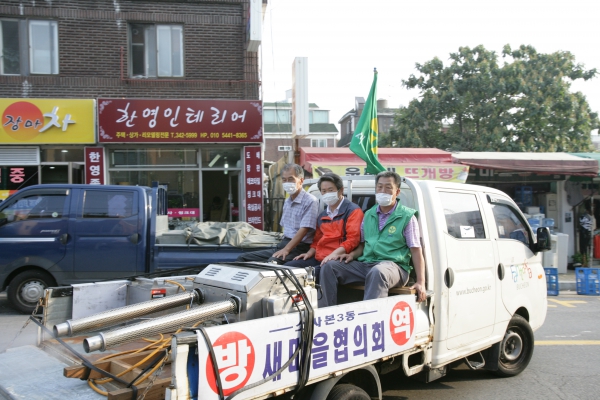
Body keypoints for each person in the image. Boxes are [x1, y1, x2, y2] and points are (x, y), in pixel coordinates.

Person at [319, 171, 426, 307]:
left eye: (388, 187)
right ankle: (327, 314)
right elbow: (362, 246)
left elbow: (416, 250)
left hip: (395, 267)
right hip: (367, 264)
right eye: (379, 187)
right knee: (330, 267)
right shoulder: (369, 214)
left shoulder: (406, 216)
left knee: (378, 271)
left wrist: (421, 282)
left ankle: (370, 318)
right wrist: (351, 255)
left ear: (397, 192)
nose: (383, 191)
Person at [285, 173, 364, 281]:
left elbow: (352, 240)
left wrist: (332, 255)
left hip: (337, 259)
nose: (327, 193)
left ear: (341, 190)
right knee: (288, 268)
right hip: (319, 257)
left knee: (307, 277)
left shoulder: (353, 211)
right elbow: (317, 241)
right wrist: (308, 253)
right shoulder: (322, 215)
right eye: (324, 191)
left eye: (331, 190)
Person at [236, 163, 319, 264]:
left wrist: (286, 250)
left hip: (300, 247)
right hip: (284, 243)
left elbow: (304, 230)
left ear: (301, 180)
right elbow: (286, 228)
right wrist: (283, 248)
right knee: (243, 258)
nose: (287, 182)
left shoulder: (310, 201)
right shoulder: (287, 201)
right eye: (284, 180)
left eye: (291, 179)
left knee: (272, 263)